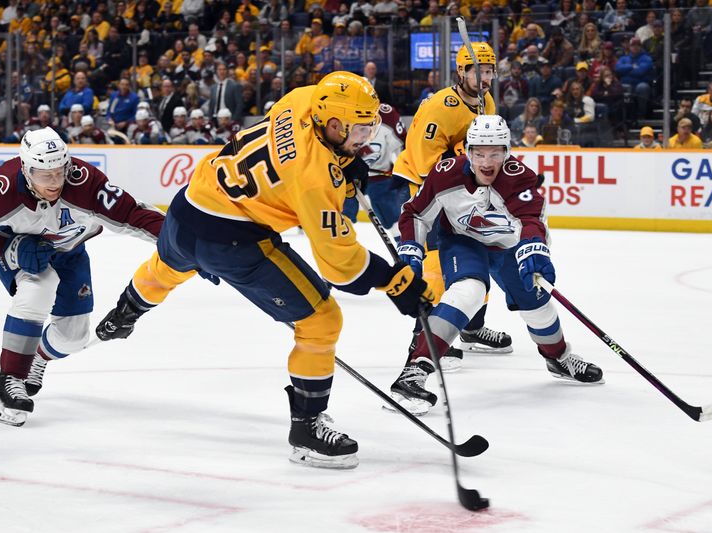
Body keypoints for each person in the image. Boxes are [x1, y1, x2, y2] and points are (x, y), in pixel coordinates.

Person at [94, 72, 433, 469]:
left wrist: (346, 160)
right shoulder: (312, 178)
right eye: (360, 128)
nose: (367, 136)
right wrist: (394, 281)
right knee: (322, 320)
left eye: (370, 125)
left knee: (166, 268)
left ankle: (125, 312)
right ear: (335, 123)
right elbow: (340, 266)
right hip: (234, 240)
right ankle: (307, 427)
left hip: (186, 209)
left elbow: (318, 144)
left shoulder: (303, 99)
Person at [389, 115, 603, 414]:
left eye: (495, 153)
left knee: (538, 307)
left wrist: (533, 250)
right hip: (464, 243)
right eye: (478, 153)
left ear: (507, 151)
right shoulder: (444, 174)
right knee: (468, 292)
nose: (486, 161)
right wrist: (411, 248)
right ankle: (415, 371)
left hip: (509, 247)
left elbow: (530, 219)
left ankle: (559, 358)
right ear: (467, 150)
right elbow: (415, 213)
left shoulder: (519, 178)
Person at [0, 128, 165, 427]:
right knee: (40, 286)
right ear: (26, 170)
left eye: (59, 172)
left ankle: (37, 358)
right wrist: (10, 247)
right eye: (44, 175)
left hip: (69, 252)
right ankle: (10, 381)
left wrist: (186, 243)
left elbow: (133, 215)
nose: (55, 182)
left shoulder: (84, 182)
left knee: (73, 337)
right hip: (16, 251)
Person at [391, 41, 513, 370]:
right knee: (434, 268)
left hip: (463, 190)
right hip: (428, 191)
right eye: (480, 71)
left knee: (480, 253)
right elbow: (422, 160)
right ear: (462, 71)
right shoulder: (440, 107)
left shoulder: (485, 100)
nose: (486, 78)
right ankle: (423, 338)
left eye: (489, 71)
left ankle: (471, 328)